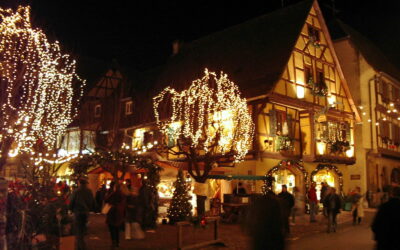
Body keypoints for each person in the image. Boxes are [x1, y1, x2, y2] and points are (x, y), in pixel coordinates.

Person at [69, 178, 95, 250]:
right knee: (83, 228)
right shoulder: (89, 191)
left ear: (79, 183)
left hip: (78, 211)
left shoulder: (76, 191)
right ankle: (82, 244)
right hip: (86, 212)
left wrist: (70, 209)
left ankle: (81, 246)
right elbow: (92, 201)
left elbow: (72, 201)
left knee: (78, 229)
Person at [105, 183, 126, 248]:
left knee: (112, 229)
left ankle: (114, 242)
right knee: (117, 229)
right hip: (119, 214)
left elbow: (107, 200)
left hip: (113, 213)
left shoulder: (113, 194)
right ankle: (117, 242)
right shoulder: (122, 195)